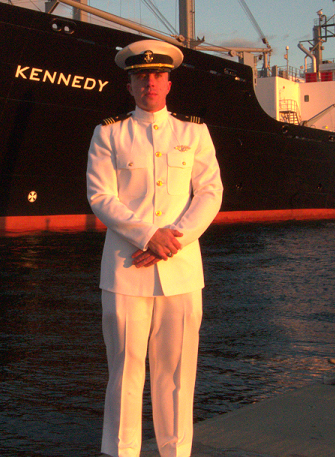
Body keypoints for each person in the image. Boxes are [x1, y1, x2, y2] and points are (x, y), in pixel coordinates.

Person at [86, 39, 223, 457]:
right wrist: (148, 236)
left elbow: (210, 192)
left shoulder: (193, 132)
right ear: (129, 85)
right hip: (127, 269)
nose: (150, 82)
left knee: (177, 375)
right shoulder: (109, 133)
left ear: (169, 83)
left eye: (157, 75)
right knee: (125, 375)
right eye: (140, 76)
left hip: (180, 270)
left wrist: (172, 238)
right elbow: (100, 195)